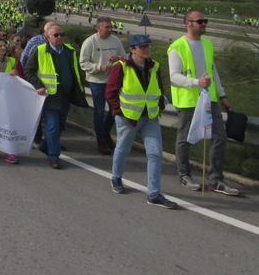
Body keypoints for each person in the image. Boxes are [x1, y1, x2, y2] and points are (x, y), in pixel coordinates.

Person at [169, 11, 239, 196]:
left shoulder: (207, 44)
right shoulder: (177, 46)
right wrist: (196, 82)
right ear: (188, 23)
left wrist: (222, 95)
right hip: (188, 100)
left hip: (209, 98)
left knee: (219, 137)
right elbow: (174, 76)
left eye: (205, 21)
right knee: (185, 138)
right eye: (200, 21)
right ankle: (184, 175)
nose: (204, 24)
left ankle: (215, 180)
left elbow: (212, 71)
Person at [107, 34, 176, 209]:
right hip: (128, 117)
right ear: (133, 49)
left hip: (150, 117)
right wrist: (118, 112)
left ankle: (153, 194)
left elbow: (160, 88)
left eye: (148, 46)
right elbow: (111, 92)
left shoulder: (154, 66)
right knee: (123, 148)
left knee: (155, 153)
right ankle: (116, 177)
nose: (147, 49)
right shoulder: (121, 66)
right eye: (143, 47)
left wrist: (159, 107)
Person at [25, 24, 88, 169]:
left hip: (65, 96)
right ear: (48, 37)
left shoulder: (69, 51)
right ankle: (54, 156)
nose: (60, 37)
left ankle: (45, 145)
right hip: (50, 97)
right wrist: (38, 85)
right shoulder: (40, 51)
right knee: (52, 126)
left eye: (61, 34)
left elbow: (75, 71)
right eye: (56, 35)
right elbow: (29, 70)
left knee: (60, 126)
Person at [79, 16, 125, 155]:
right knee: (99, 111)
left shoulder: (116, 41)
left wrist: (118, 60)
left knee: (114, 110)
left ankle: (105, 133)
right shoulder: (90, 42)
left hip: (113, 81)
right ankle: (101, 140)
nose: (110, 29)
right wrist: (100, 67)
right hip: (96, 81)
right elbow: (83, 63)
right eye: (107, 27)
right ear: (98, 28)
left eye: (111, 27)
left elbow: (124, 57)